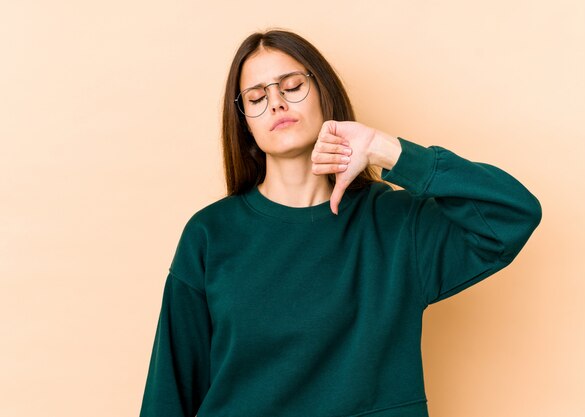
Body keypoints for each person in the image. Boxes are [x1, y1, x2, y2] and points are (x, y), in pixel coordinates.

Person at [139, 29, 542, 417]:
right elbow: (169, 392)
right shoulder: (210, 235)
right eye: (256, 97)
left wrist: (389, 151)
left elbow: (512, 214)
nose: (276, 103)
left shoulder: (397, 224)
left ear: (324, 93)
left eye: (292, 85)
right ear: (245, 125)